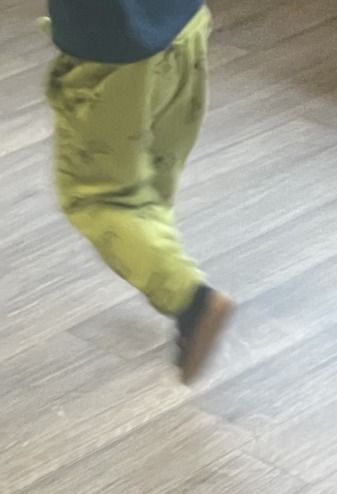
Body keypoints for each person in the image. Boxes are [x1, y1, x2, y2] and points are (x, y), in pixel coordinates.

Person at [45, 0, 233, 380]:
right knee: (151, 178)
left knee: (98, 197)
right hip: (185, 28)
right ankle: (169, 274)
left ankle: (191, 300)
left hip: (113, 57)